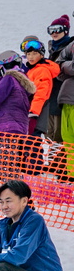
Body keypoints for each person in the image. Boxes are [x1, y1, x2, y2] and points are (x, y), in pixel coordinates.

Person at [0, 51, 37, 181]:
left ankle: (11, 193)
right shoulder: (20, 85)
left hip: (8, 129)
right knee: (11, 163)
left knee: (7, 165)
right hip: (17, 127)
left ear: (6, 66)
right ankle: (12, 192)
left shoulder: (9, 79)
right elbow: (6, 108)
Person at [22, 36, 61, 147]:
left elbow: (41, 93)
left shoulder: (42, 70)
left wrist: (33, 112)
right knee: (30, 145)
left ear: (42, 54)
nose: (31, 57)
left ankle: (35, 164)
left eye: (34, 53)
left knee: (32, 145)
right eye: (28, 54)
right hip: (32, 112)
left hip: (36, 114)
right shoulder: (33, 70)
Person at [56, 38, 74, 181]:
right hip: (67, 100)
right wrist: (69, 66)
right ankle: (72, 177)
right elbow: (58, 66)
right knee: (69, 143)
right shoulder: (72, 45)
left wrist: (67, 66)